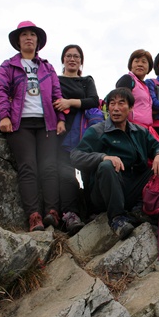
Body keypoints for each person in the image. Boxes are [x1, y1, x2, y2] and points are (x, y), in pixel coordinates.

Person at [0, 20, 65, 232]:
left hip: (47, 124)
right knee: (28, 168)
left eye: (32, 35)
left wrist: (61, 118)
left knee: (50, 167)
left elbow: (57, 94)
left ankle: (52, 213)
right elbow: (0, 89)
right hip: (20, 123)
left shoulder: (47, 67)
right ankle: (34, 216)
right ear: (18, 41)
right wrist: (4, 116)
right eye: (24, 35)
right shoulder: (9, 65)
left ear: (38, 41)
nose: (28, 38)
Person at [70, 88, 159, 240]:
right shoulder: (97, 131)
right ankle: (116, 219)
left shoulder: (140, 131)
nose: (116, 108)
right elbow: (75, 156)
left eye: (121, 103)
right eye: (112, 104)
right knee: (107, 166)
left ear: (130, 108)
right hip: (104, 192)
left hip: (131, 189)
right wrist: (102, 157)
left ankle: (141, 209)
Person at [53, 44, 100, 234]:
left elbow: (93, 100)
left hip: (84, 132)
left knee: (89, 173)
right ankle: (70, 214)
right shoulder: (55, 80)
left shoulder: (86, 81)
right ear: (63, 59)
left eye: (76, 57)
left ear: (81, 61)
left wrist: (69, 102)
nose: (72, 59)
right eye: (68, 56)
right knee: (66, 175)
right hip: (61, 130)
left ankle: (92, 212)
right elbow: (50, 102)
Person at [115, 49, 155, 130]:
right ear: (131, 65)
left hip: (146, 130)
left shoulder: (146, 86)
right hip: (132, 128)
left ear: (149, 67)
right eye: (136, 61)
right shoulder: (127, 79)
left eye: (144, 62)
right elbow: (119, 103)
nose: (140, 64)